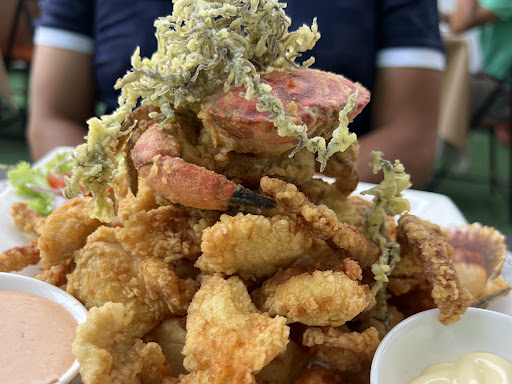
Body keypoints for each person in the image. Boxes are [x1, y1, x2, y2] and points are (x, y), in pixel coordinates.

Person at [27, 0, 444, 187]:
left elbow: (413, 136)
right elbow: (51, 116)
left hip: (325, 168)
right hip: (147, 166)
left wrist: (307, 186)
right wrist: (106, 187)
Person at [443, 0, 512, 145]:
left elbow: (459, 25)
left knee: (439, 89)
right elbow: (464, 19)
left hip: (504, 89)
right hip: (494, 79)